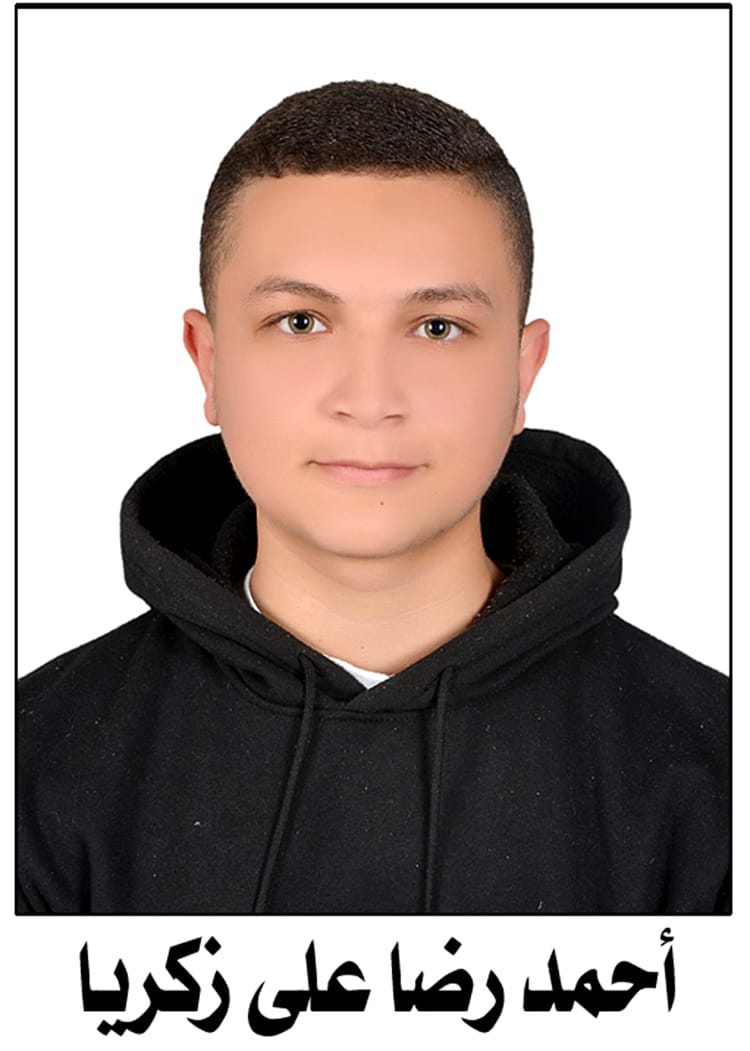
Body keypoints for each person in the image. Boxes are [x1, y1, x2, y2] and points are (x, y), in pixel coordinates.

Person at [17, 80, 728, 914]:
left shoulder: (718, 772)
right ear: (208, 362)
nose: (368, 398)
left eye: (437, 327)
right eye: (301, 322)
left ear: (523, 372)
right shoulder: (31, 769)